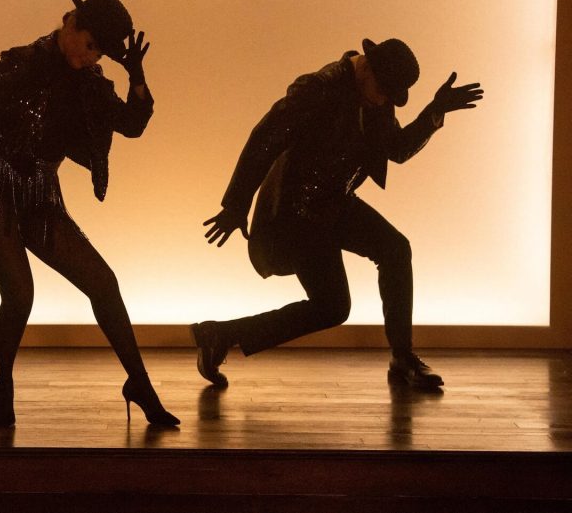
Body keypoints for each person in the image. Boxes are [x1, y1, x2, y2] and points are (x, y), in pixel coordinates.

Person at [0, 0, 178, 426]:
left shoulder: (92, 84)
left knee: (103, 282)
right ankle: (3, 383)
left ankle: (139, 383)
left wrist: (136, 76)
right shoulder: (26, 62)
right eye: (91, 46)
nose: (94, 59)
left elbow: (132, 125)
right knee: (20, 293)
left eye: (103, 55)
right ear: (72, 24)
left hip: (40, 191)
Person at [195, 38, 483, 390]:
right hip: (296, 213)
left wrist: (435, 113)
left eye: (392, 95)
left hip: (335, 203)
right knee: (333, 307)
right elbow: (265, 138)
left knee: (395, 249)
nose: (385, 100)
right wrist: (235, 204)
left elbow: (397, 149)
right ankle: (220, 335)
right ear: (366, 69)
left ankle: (402, 359)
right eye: (384, 90)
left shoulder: (376, 98)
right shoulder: (318, 88)